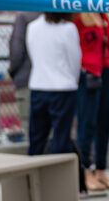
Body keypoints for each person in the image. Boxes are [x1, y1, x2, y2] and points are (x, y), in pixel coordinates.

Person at [73, 0, 109, 191]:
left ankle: (101, 169)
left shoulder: (104, 15)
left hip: (108, 71)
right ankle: (85, 171)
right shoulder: (77, 17)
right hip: (88, 74)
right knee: (87, 124)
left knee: (104, 122)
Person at [25, 11, 81, 157]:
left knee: (36, 139)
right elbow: (75, 60)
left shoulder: (32, 27)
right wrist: (72, 80)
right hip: (63, 88)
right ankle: (58, 178)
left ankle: (32, 176)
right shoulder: (69, 28)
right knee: (61, 139)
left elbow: (32, 55)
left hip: (38, 85)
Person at [6, 0, 40, 140]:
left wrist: (12, 71)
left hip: (26, 79)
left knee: (30, 125)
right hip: (45, 80)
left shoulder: (22, 17)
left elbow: (17, 51)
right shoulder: (45, 15)